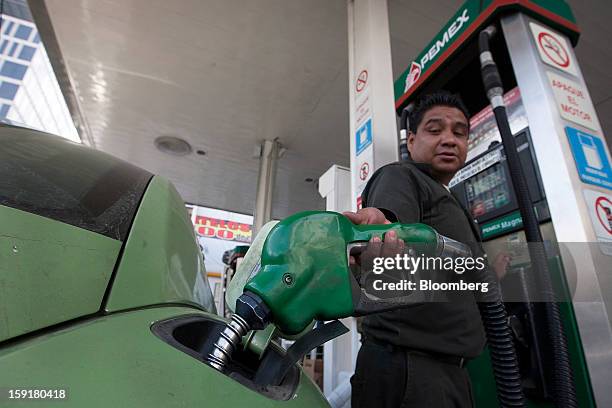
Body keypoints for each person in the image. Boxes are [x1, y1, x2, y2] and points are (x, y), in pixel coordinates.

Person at [345, 91, 510, 408]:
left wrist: (489, 276)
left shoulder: (449, 199)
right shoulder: (401, 176)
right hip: (411, 371)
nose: (449, 139)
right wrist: (383, 230)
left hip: (447, 373)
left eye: (459, 132)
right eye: (435, 130)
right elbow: (393, 223)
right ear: (410, 142)